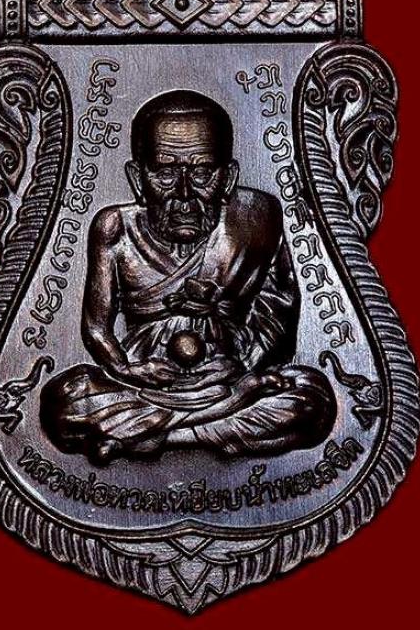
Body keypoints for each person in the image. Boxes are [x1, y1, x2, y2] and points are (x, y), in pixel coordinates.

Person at [40, 90, 336, 464]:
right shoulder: (114, 228)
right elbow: (97, 328)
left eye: (201, 173)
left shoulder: (254, 218)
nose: (183, 193)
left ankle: (146, 436)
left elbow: (278, 308)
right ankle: (213, 428)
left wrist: (244, 367)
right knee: (64, 403)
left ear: (227, 178)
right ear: (137, 178)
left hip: (226, 373)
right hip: (145, 383)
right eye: (165, 173)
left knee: (310, 401)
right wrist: (128, 369)